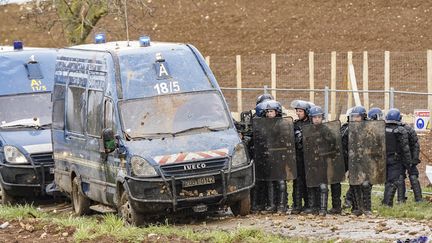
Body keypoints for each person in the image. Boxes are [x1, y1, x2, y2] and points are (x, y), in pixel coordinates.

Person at [342, 106, 370, 216]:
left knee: (366, 184)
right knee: (354, 184)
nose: (355, 119)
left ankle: (367, 208)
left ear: (363, 117)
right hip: (353, 160)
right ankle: (356, 208)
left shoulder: (369, 128)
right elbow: (343, 143)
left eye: (357, 116)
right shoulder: (349, 129)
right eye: (353, 116)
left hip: (366, 160)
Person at [249, 94, 274, 212]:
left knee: (269, 180)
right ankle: (256, 204)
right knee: (257, 181)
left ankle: (269, 203)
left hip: (271, 155)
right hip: (257, 154)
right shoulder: (253, 119)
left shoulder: (276, 119)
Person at [262, 100, 288, 213]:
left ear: (277, 112)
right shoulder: (264, 124)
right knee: (270, 181)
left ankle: (282, 205)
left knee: (280, 181)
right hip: (269, 156)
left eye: (271, 111)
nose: (269, 114)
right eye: (267, 112)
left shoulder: (282, 124)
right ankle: (272, 205)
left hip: (280, 156)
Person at [383, 108, 412, 207]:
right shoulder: (400, 130)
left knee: (388, 181)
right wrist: (409, 162)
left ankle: (385, 202)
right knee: (393, 181)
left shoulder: (382, 128)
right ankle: (387, 204)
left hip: (383, 158)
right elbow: (405, 148)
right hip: (396, 160)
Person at [290, 100, 313, 214]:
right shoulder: (295, 124)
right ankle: (297, 205)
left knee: (308, 181)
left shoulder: (311, 124)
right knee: (297, 181)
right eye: (297, 111)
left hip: (310, 158)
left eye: (300, 111)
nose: (298, 113)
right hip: (298, 157)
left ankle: (309, 204)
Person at [396, 113, 423, 203]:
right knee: (412, 176)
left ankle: (401, 199)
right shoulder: (409, 129)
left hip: (400, 158)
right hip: (409, 156)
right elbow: (416, 145)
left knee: (401, 177)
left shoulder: (394, 130)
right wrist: (415, 158)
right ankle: (418, 199)